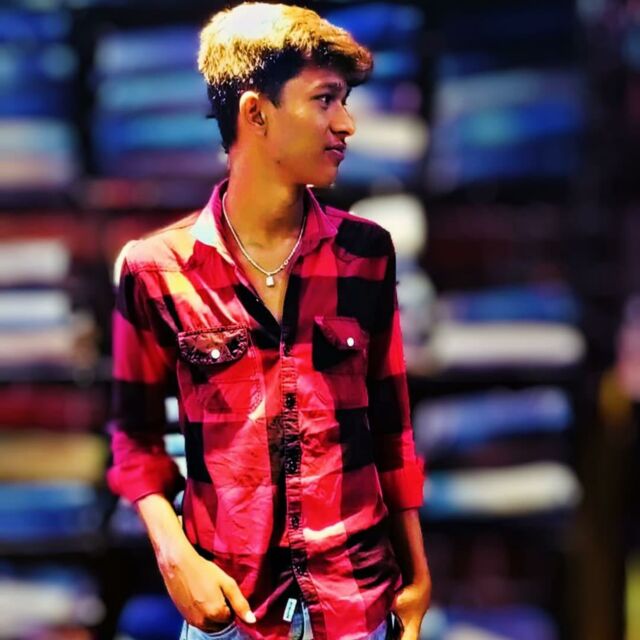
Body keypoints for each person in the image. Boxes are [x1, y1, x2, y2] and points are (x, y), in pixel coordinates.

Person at [106, 3, 431, 639]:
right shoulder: (155, 269)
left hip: (358, 607)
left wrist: (417, 579)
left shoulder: (365, 254)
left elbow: (393, 430)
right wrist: (174, 556)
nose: (347, 123)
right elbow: (135, 438)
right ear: (256, 113)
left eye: (344, 101)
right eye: (325, 99)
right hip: (233, 614)